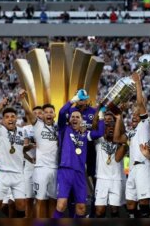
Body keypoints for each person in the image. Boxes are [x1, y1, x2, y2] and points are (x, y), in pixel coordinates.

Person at [53, 90, 105, 218]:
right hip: (65, 171)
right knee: (61, 204)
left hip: (80, 173)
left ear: (82, 120)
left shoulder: (85, 134)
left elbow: (99, 133)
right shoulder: (64, 130)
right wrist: (73, 100)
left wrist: (102, 115)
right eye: (73, 117)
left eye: (78, 117)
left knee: (81, 208)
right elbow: (61, 112)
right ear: (69, 119)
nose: (75, 118)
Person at [113, 72, 150, 218]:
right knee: (130, 203)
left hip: (144, 166)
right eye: (132, 117)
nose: (134, 117)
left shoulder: (145, 124)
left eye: (136, 116)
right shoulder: (132, 132)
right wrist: (119, 117)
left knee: (143, 202)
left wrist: (138, 83)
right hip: (132, 169)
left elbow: (140, 103)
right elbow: (118, 138)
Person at [19, 90, 58, 218]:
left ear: (54, 115)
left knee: (53, 201)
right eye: (45, 112)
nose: (48, 114)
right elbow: (29, 113)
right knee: (40, 201)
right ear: (42, 115)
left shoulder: (59, 128)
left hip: (56, 169)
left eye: (50, 112)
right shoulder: (38, 125)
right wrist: (23, 99)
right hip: (41, 168)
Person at [0, 97, 26, 218]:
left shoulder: (22, 132)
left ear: (16, 118)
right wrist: (0, 107)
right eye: (7, 117)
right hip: (2, 174)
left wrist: (28, 148)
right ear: (3, 120)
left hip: (18, 174)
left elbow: (19, 149)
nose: (10, 119)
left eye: (12, 116)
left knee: (21, 205)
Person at [94, 115, 127, 218]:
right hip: (101, 179)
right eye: (109, 128)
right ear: (104, 130)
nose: (111, 130)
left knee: (114, 209)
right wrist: (99, 111)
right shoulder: (99, 140)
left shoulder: (121, 144)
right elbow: (94, 126)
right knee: (99, 210)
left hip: (117, 179)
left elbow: (123, 132)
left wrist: (119, 118)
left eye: (114, 128)